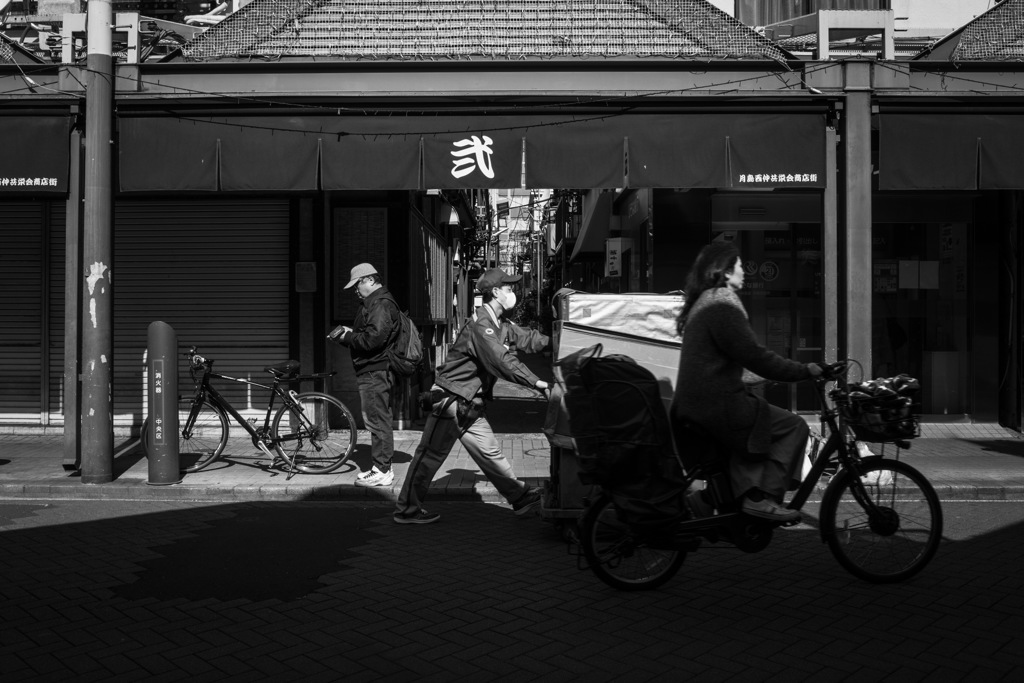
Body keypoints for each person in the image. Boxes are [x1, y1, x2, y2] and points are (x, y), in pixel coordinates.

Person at [670, 243, 822, 522]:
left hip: (697, 404)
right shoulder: (722, 301)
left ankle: (707, 502)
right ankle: (759, 499)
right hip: (716, 405)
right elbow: (753, 355)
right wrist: (804, 370)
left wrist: (765, 376)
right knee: (791, 426)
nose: (744, 272)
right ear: (726, 271)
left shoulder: (705, 300)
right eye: (740, 266)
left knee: (755, 418)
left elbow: (729, 361)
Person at [393, 267, 551, 524]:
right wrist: (537, 382)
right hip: (452, 401)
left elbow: (527, 338)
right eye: (509, 288)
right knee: (429, 457)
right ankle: (406, 510)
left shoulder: (500, 324)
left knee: (491, 455)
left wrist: (557, 339)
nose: (513, 292)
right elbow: (501, 360)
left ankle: (520, 497)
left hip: (470, 406)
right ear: (497, 292)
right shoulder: (481, 325)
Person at [330, 263, 401, 488]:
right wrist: (349, 336)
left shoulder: (380, 304)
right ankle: (380, 467)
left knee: (377, 420)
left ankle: (382, 470)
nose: (355, 289)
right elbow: (370, 337)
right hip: (372, 370)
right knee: (376, 420)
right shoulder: (375, 303)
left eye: (357, 283)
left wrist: (348, 337)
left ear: (370, 280)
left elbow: (373, 340)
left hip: (375, 371)